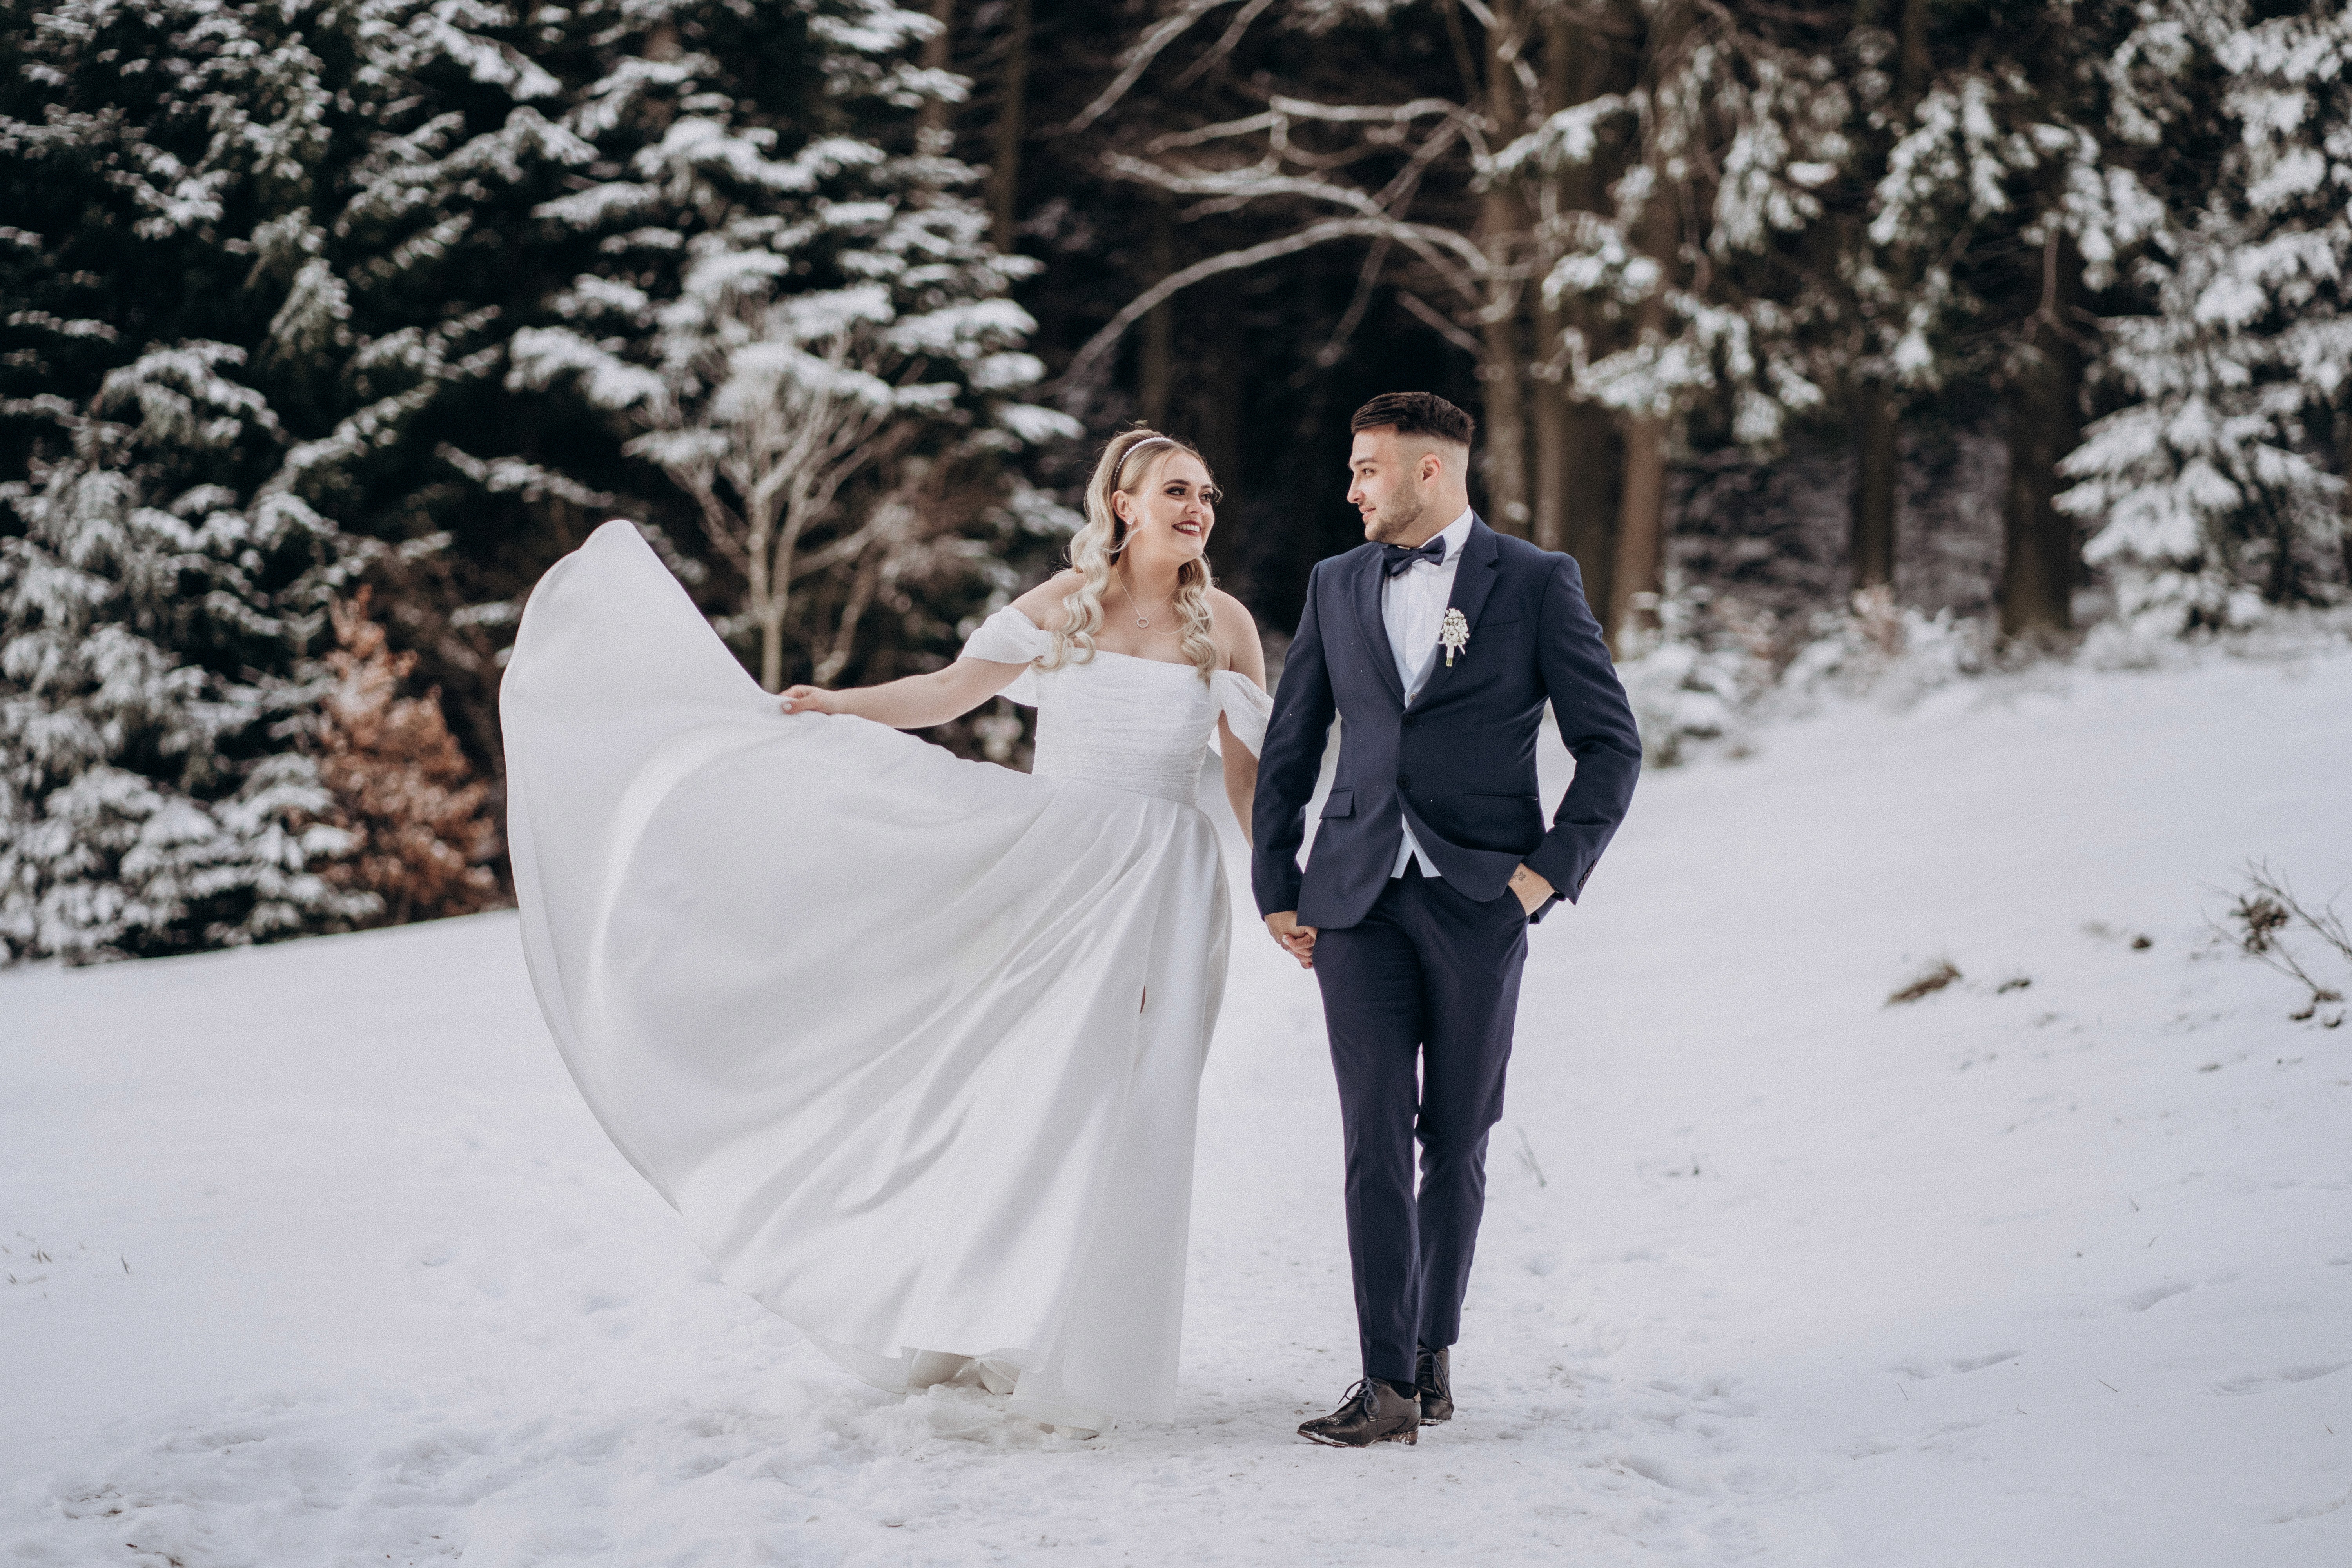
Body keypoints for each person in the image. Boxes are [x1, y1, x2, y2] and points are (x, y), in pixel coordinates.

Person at [499, 428, 1267, 1435]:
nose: (1197, 507)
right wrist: (839, 706)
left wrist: (1288, 897)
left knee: (1132, 1109)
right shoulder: (1064, 604)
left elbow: (1255, 785)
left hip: (1166, 887)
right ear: (1122, 503)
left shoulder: (1228, 625)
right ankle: (977, 1307)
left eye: (1206, 492)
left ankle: (1089, 1342)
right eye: (1175, 489)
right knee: (1032, 1095)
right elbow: (950, 692)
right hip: (1056, 878)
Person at [1252, 391, 1642, 1448]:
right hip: (1355, 898)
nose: (1351, 488)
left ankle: (1432, 1353)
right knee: (1372, 1132)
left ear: (1430, 472)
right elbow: (1293, 745)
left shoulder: (1537, 582)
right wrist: (1277, 885)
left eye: (1367, 468)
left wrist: (1546, 876)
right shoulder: (1337, 582)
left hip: (1482, 898)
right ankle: (1385, 1383)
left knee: (1456, 1135)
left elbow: (1612, 746)